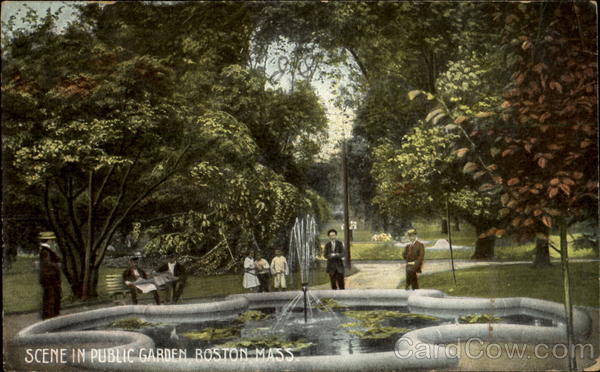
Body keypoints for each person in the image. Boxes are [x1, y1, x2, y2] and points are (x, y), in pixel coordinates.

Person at [38, 231, 61, 319]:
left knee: (50, 297)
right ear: (49, 241)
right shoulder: (46, 251)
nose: (53, 242)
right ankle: (50, 317)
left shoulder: (46, 250)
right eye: (52, 240)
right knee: (51, 298)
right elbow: (47, 263)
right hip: (50, 278)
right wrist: (57, 265)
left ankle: (50, 315)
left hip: (49, 278)